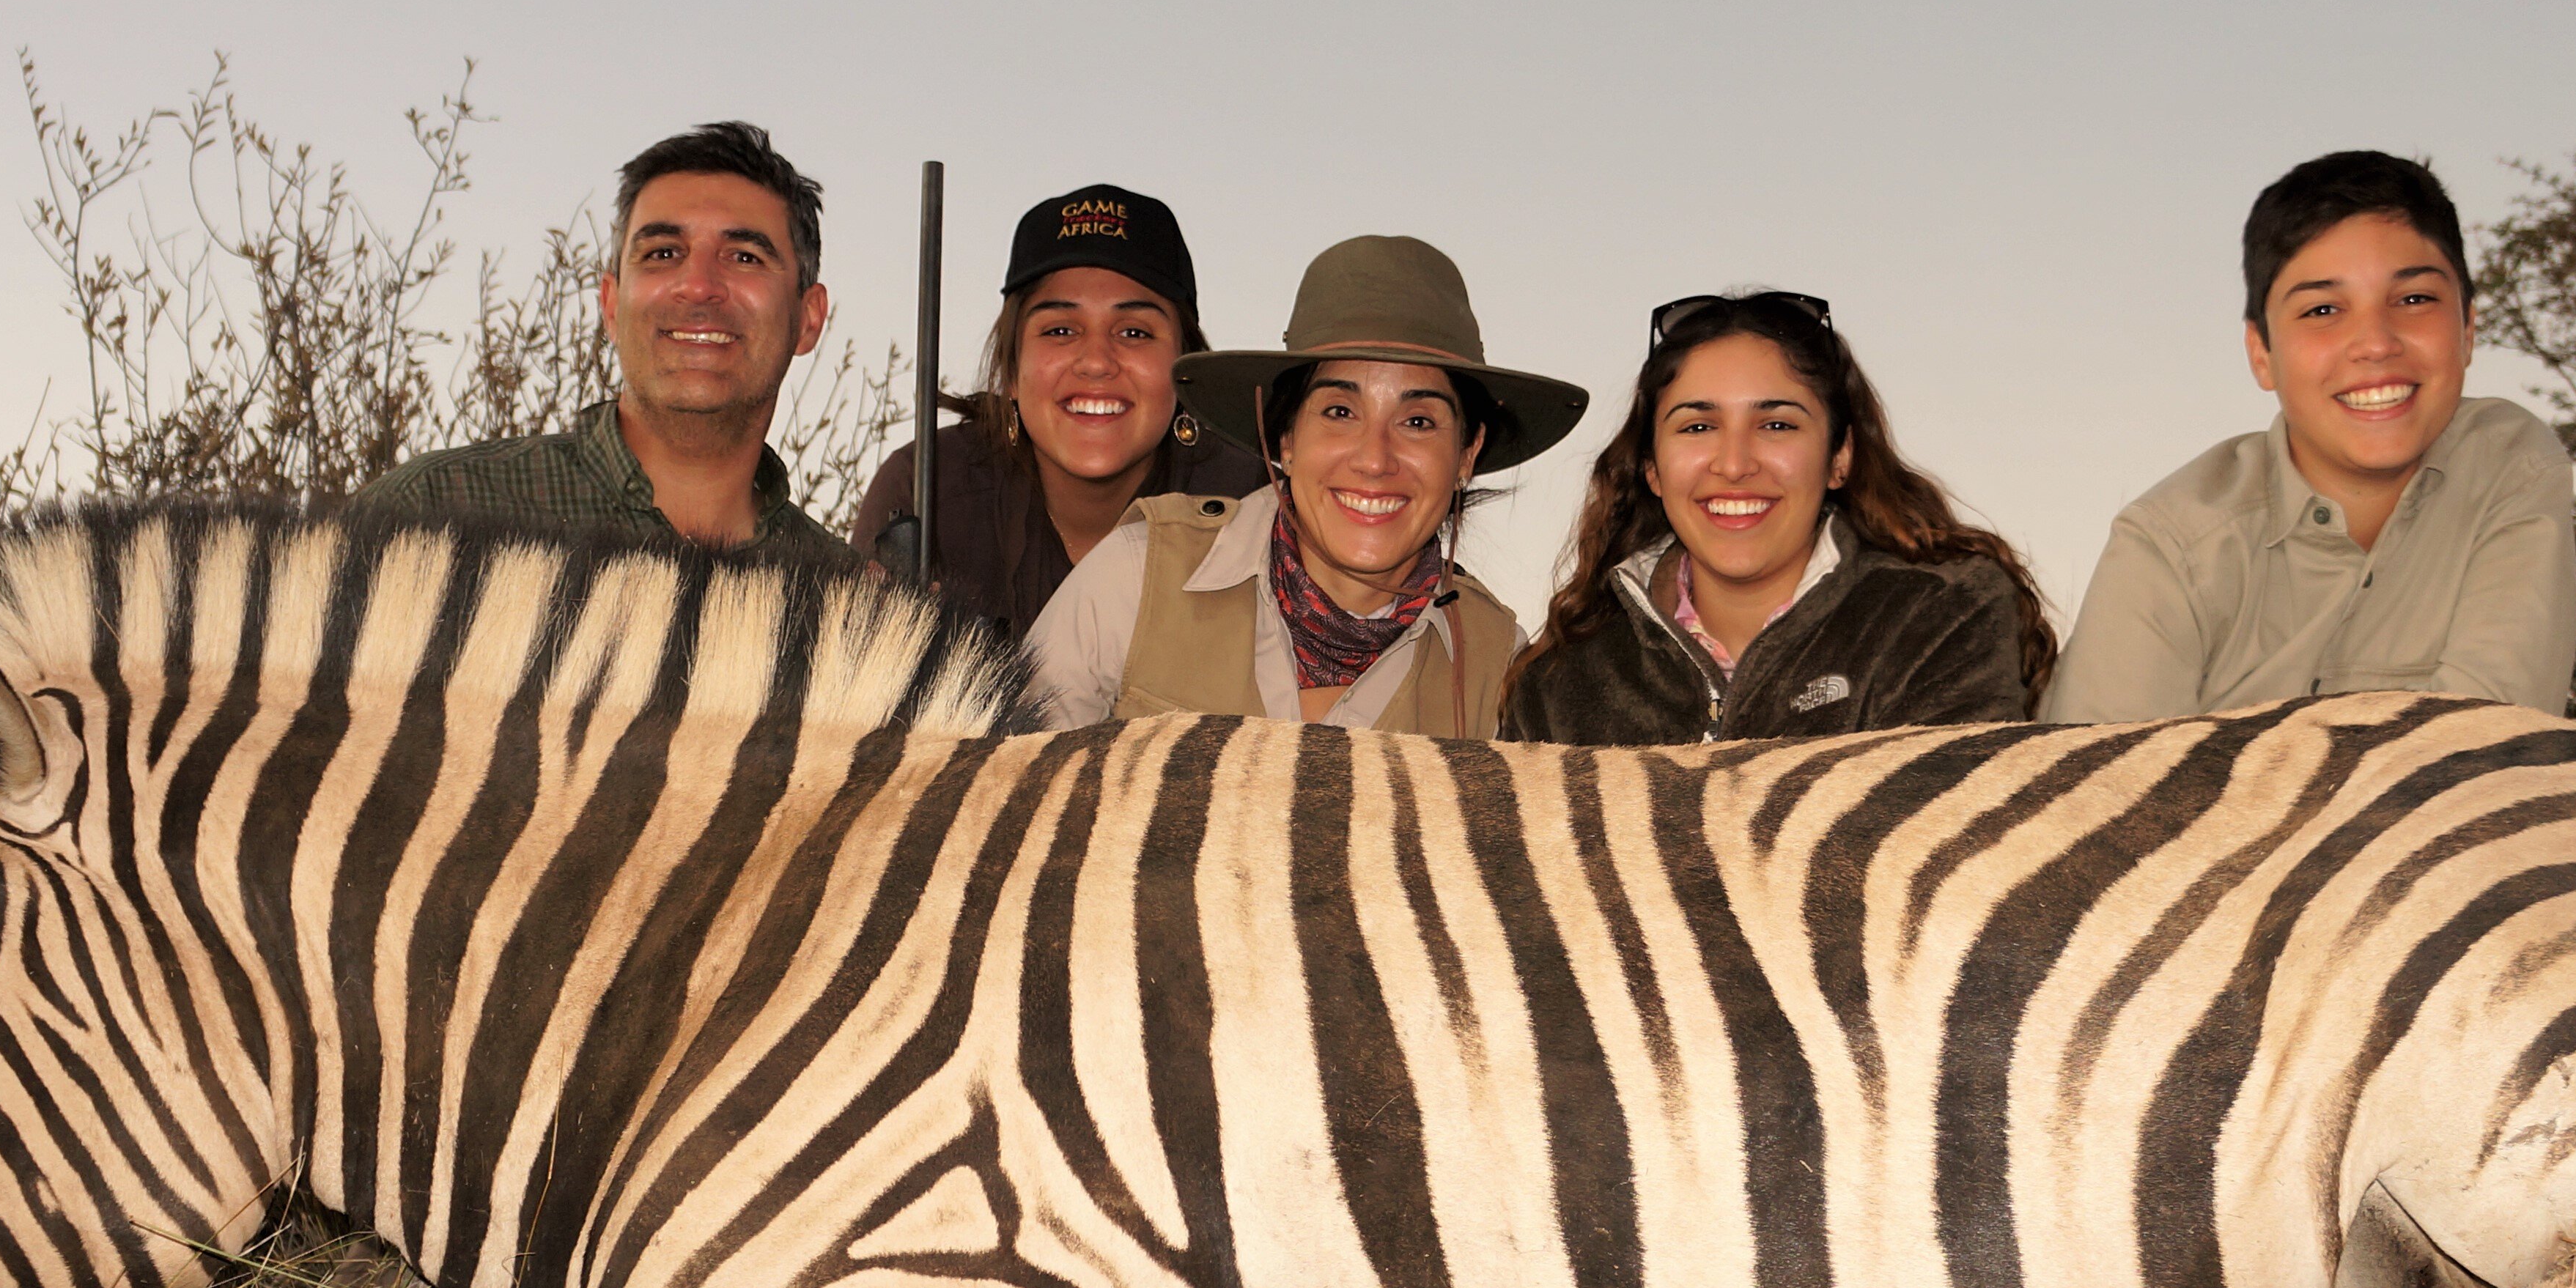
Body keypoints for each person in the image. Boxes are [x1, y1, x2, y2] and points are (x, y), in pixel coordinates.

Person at [2042, 150, 2575, 722]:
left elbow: (2489, 743)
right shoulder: (2173, 547)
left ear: (2468, 329)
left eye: (2415, 300)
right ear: (2262, 354)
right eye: (2323, 309)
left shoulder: (2511, 465)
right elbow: (2102, 789)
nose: (2375, 343)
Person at [1026, 235, 1584, 736]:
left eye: (1418, 422)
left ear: (1467, 453)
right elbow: (1000, 806)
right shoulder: (1136, 579)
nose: (1375, 459)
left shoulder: (1499, 669)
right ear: (1286, 438)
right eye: (1340, 411)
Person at [1499, 291, 2053, 743]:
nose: (1735, 464)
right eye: (1697, 427)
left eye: (1778, 425)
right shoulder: (1559, 684)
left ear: (1840, 457)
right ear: (1651, 468)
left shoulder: (1940, 616)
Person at [350, 122, 855, 578]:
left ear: (809, 319)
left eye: (745, 256)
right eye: (663, 254)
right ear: (611, 307)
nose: (699, 287)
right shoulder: (428, 515)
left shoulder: (847, 601)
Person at [852, 185, 1266, 635]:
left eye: (1134, 333)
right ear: (1011, 370)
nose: (1096, 362)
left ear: (1184, 369)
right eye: (1061, 329)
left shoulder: (1255, 506)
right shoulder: (925, 487)